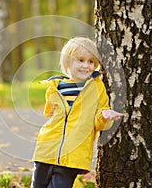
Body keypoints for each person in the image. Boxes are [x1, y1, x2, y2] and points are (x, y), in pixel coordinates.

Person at [31, 37, 123, 188]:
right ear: (68, 62)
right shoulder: (55, 86)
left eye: (91, 62)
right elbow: (50, 113)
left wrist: (106, 116)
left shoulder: (96, 87)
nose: (86, 66)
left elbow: (100, 120)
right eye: (80, 60)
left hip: (73, 154)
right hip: (46, 150)